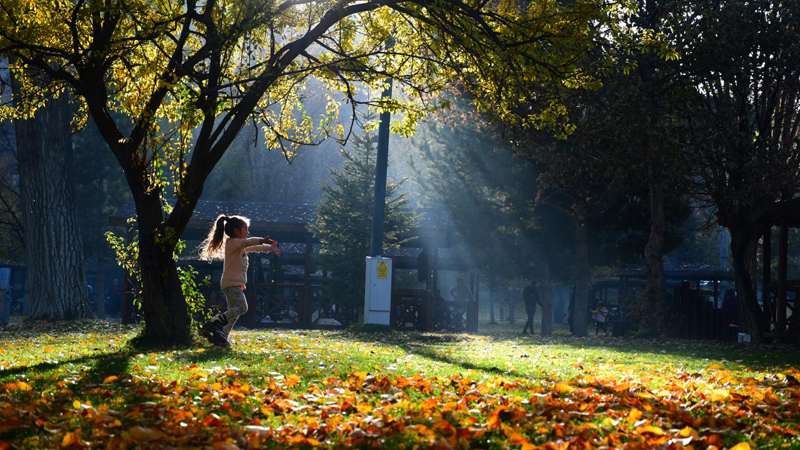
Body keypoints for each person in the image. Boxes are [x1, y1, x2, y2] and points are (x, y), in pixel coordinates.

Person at [199, 215, 280, 347]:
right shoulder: (233, 243)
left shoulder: (237, 246)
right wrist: (261, 240)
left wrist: (269, 248)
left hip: (232, 284)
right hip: (231, 284)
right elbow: (248, 243)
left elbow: (252, 248)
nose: (247, 232)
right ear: (236, 231)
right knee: (242, 308)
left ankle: (221, 338)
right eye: (245, 229)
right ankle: (215, 321)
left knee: (234, 312)